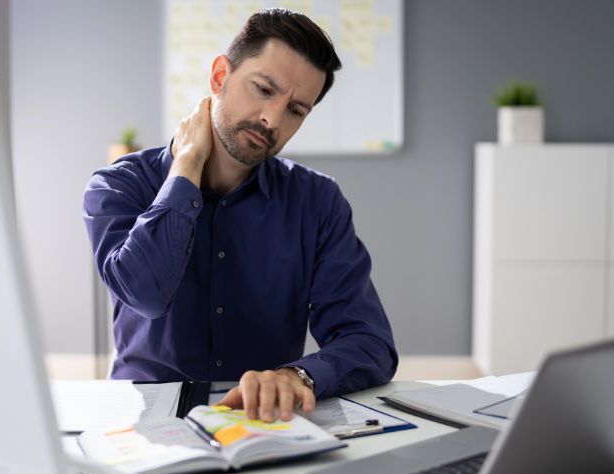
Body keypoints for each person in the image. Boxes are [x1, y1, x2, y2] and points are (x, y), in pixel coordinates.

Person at [83, 8, 396, 423]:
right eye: (264, 89)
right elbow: (146, 294)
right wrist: (187, 168)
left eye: (296, 111)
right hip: (143, 420)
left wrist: (298, 375)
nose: (272, 119)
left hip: (260, 421)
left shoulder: (317, 201)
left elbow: (369, 341)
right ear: (219, 77)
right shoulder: (118, 186)